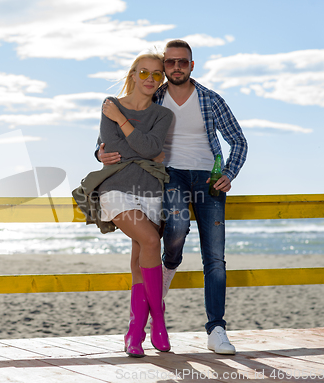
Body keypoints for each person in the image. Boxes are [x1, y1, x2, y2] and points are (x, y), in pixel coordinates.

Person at [98, 40, 248, 355]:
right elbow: (112, 138)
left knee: (215, 257)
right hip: (168, 175)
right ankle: (167, 268)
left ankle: (216, 329)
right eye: (170, 63)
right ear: (165, 66)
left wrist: (229, 173)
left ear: (192, 65)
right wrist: (99, 151)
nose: (176, 67)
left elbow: (238, 140)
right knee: (176, 228)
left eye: (183, 62)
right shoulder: (155, 96)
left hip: (207, 177)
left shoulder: (210, 99)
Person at [74, 48, 173, 357]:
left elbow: (150, 148)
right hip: (116, 189)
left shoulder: (163, 115)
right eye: (144, 72)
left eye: (157, 74)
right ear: (133, 74)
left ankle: (134, 332)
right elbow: (121, 149)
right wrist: (144, 148)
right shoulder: (110, 106)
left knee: (138, 261)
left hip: (150, 190)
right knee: (151, 240)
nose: (150, 78)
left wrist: (126, 127)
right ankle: (158, 323)